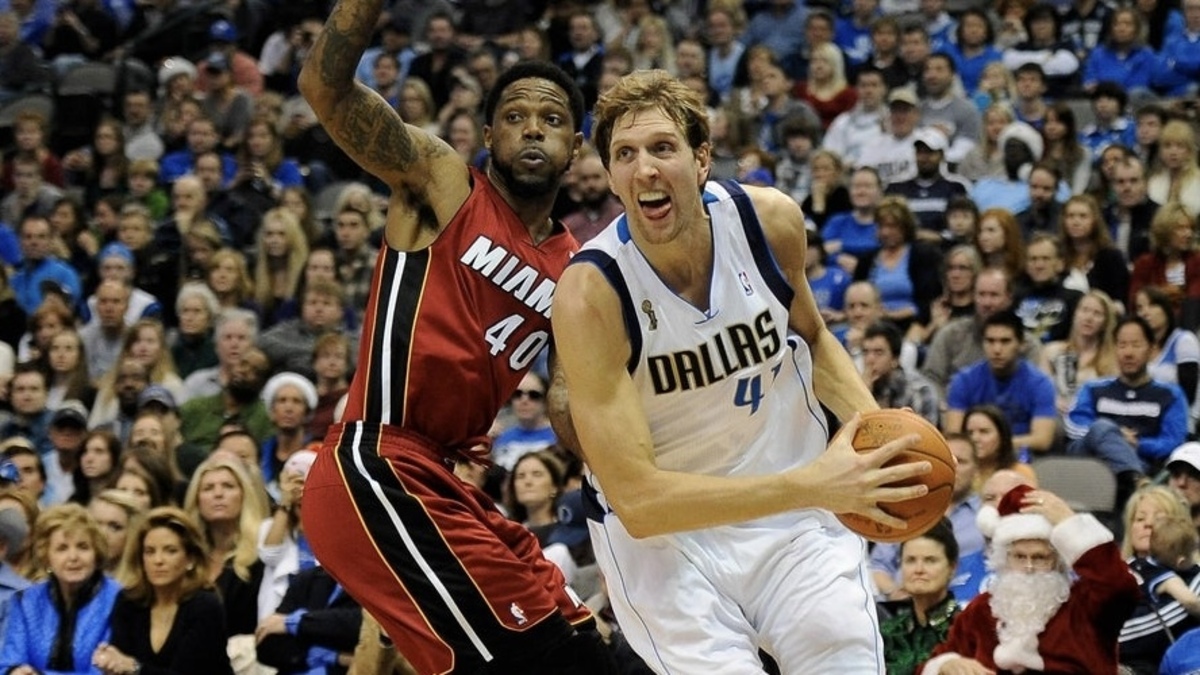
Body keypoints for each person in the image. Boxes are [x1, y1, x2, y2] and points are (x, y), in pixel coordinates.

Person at [554, 68, 932, 672]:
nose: (645, 169)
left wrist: (877, 429)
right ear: (610, 177)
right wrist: (818, 484)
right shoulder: (589, 295)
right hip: (668, 545)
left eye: (662, 148)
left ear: (702, 159)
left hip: (793, 517)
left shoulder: (768, 222)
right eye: (624, 154)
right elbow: (640, 501)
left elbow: (811, 337)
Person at [297, 2, 610, 668]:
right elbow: (323, 91)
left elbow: (565, 398)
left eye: (552, 120)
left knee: (587, 644)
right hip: (373, 463)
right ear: (489, 132)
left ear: (576, 147)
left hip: (442, 482)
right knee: (538, 656)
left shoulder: (576, 266)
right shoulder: (442, 182)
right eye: (517, 117)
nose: (533, 131)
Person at [920, 485, 1138, 673]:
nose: (1029, 567)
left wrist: (1069, 523)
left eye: (1040, 557)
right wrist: (946, 666)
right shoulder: (981, 611)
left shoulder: (1084, 607)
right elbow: (930, 665)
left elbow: (1120, 586)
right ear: (1005, 559)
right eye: (1019, 556)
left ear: (1058, 561)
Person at [97, 506, 234, 675]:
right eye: (150, 552)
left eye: (170, 551)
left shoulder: (205, 606)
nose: (158, 560)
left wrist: (134, 668)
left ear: (190, 559)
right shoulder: (128, 601)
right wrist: (110, 662)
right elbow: (120, 662)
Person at [0, 503, 121, 674]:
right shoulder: (25, 601)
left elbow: (103, 670)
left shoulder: (119, 598)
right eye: (62, 548)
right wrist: (15, 671)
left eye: (83, 547)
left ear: (97, 552)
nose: (73, 557)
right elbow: (8, 661)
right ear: (47, 557)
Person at [877, 520, 963, 675]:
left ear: (952, 567)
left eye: (930, 560)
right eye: (910, 560)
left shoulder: (964, 629)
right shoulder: (887, 631)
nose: (919, 569)